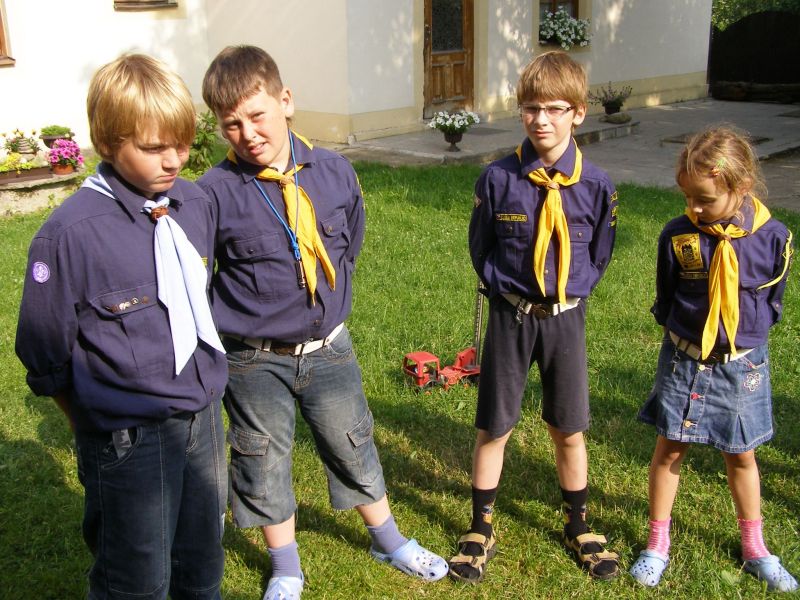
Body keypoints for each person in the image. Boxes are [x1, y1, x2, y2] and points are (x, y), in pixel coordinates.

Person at [197, 45, 448, 600]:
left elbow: (349, 246)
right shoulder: (213, 193)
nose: (248, 134)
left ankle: (388, 540)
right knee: (261, 459)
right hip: (253, 358)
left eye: (257, 115)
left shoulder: (334, 172)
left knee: (352, 441)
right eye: (231, 124)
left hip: (328, 348)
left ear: (285, 101)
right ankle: (286, 568)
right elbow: (200, 275)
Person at [15, 54, 228, 599]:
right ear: (109, 142)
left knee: (202, 564)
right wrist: (95, 426)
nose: (174, 160)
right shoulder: (69, 236)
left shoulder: (193, 204)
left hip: (203, 422)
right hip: (130, 439)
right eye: (154, 148)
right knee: (136, 581)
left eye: (182, 144)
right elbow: (44, 351)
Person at [448, 50, 620, 583]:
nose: (541, 120)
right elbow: (481, 248)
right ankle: (480, 526)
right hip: (512, 317)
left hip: (565, 318)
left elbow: (600, 254)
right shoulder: (497, 180)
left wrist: (567, 294)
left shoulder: (596, 186)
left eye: (554, 108)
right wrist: (508, 291)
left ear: (578, 113)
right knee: (494, 424)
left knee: (569, 426)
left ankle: (578, 524)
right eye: (530, 108)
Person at [630, 126, 797, 592]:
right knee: (669, 448)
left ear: (742, 186)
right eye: (687, 197)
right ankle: (657, 543)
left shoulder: (773, 237)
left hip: (742, 366)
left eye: (704, 199)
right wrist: (678, 329)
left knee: (741, 454)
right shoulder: (679, 234)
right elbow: (666, 292)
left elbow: (774, 298)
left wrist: (745, 336)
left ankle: (755, 548)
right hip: (684, 360)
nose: (694, 208)